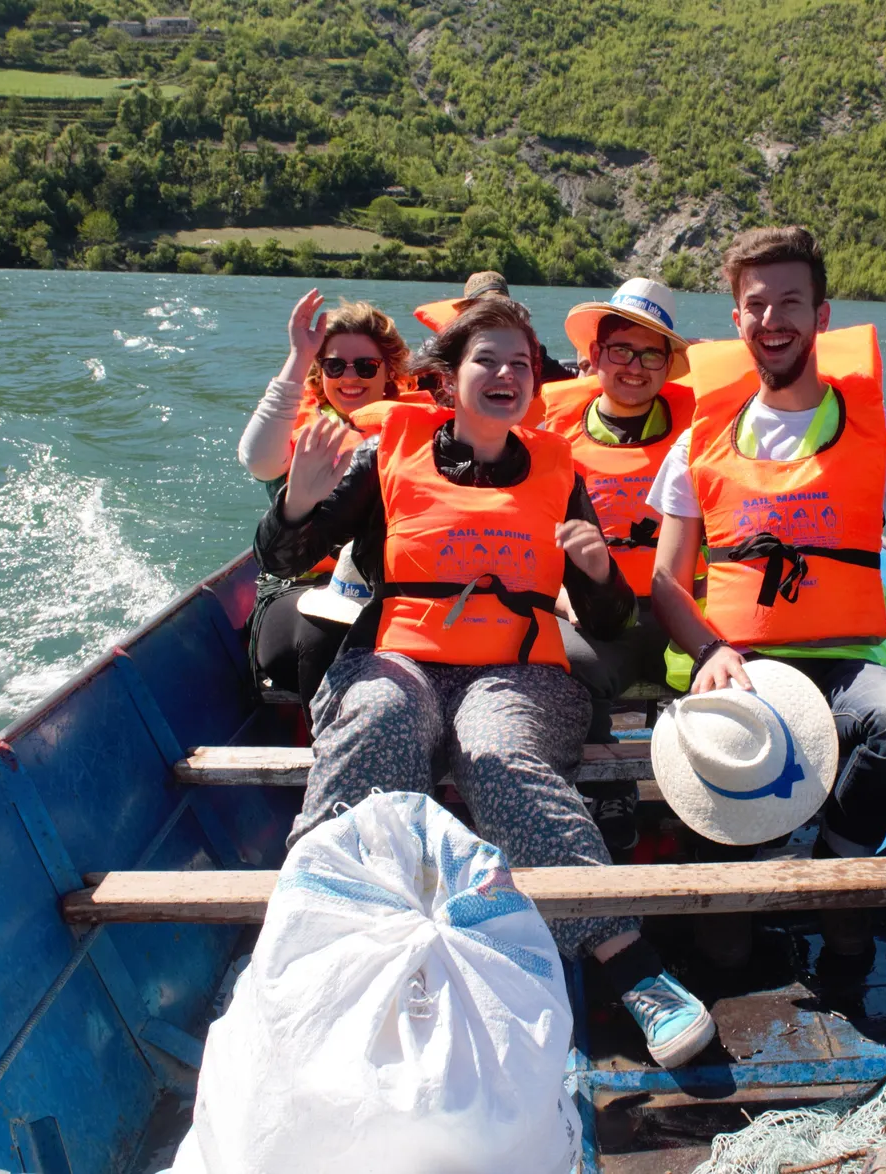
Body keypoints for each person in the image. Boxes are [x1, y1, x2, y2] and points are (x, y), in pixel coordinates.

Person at [254, 297, 718, 1069]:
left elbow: (603, 621)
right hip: (399, 659)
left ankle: (628, 960)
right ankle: (318, 935)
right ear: (448, 379)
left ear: (536, 384)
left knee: (495, 750)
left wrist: (601, 573)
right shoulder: (388, 454)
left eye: (520, 365)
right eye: (487, 361)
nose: (506, 375)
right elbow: (279, 554)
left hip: (518, 673)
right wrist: (298, 500)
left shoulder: (558, 473)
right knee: (375, 713)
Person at [648, 225, 886, 967]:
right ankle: (757, 874)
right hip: (740, 667)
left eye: (791, 302)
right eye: (757, 305)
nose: (772, 320)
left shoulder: (884, 431)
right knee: (722, 948)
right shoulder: (699, 439)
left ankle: (831, 861)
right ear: (737, 320)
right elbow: (665, 580)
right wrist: (710, 649)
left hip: (846, 666)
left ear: (821, 317)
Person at [541, 278, 694, 850]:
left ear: (669, 364)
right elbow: (530, 539)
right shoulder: (550, 434)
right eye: (620, 350)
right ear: (593, 357)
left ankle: (722, 801)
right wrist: (563, 602)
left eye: (651, 352)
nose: (635, 365)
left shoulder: (706, 428)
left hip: (687, 610)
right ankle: (608, 786)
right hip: (599, 619)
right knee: (560, 656)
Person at [235, 290, 419, 708]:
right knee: (326, 631)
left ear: (388, 371)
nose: (349, 376)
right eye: (334, 365)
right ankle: (329, 757)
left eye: (366, 366)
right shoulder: (301, 436)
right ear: (321, 373)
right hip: (297, 589)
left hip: (391, 591)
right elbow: (257, 459)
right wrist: (301, 355)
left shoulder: (419, 435)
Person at [415, 271, 577, 384]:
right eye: (484, 308)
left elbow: (566, 377)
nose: (492, 314)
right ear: (468, 313)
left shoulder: (530, 351)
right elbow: (410, 377)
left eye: (498, 307)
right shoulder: (438, 348)